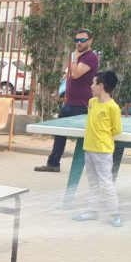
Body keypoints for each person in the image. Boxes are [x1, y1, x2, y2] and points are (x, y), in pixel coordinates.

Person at [36, 29, 99, 173]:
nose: (79, 43)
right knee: (60, 134)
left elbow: (75, 74)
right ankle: (53, 163)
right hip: (69, 103)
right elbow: (71, 75)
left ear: (90, 41)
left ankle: (90, 167)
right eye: (77, 40)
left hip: (82, 105)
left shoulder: (90, 57)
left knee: (85, 138)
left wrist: (75, 58)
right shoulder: (77, 56)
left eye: (83, 40)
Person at [73, 71, 123, 227]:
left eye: (94, 83)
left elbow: (117, 129)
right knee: (93, 182)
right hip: (89, 148)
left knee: (106, 183)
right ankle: (92, 211)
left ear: (101, 86)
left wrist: (102, 140)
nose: (91, 86)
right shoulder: (92, 102)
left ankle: (115, 214)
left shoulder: (113, 107)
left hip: (102, 152)